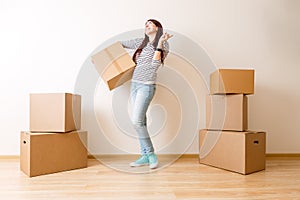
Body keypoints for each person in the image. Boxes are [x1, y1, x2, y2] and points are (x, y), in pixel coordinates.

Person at [121, 19, 173, 169]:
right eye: (145, 24)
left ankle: (151, 154)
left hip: (146, 86)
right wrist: (103, 60)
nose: (147, 25)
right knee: (140, 123)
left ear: (158, 28)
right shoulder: (140, 43)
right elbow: (120, 44)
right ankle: (144, 156)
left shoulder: (163, 44)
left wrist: (161, 43)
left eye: (150, 23)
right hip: (135, 85)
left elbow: (155, 65)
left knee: (136, 121)